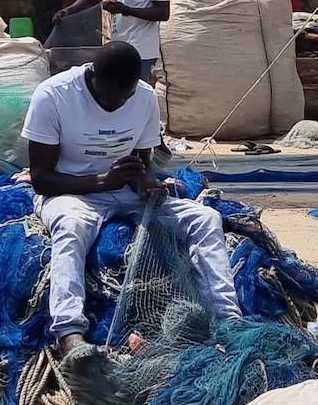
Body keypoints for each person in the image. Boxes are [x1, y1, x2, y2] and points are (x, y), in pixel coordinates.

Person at [25, 41, 243, 359]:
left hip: (125, 193)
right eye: (110, 97)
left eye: (124, 97)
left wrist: (148, 184)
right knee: (71, 229)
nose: (117, 104)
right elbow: (42, 179)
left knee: (205, 218)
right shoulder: (54, 95)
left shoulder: (143, 98)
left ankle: (230, 320)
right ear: (94, 78)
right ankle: (69, 332)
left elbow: (143, 163)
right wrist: (101, 181)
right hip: (70, 192)